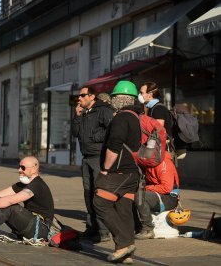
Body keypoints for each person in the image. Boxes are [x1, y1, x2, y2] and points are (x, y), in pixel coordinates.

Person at [93, 81, 141, 263]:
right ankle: (127, 254)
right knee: (123, 210)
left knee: (100, 202)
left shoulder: (120, 118)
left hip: (118, 171)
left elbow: (114, 145)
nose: (111, 100)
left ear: (120, 99)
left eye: (113, 97)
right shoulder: (135, 117)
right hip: (132, 174)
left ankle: (123, 244)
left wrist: (105, 169)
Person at [72, 86, 114, 242]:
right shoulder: (83, 113)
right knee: (88, 193)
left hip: (99, 157)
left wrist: (95, 136)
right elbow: (75, 133)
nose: (79, 98)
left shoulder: (103, 110)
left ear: (92, 96)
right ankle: (92, 228)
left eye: (82, 95)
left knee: (99, 194)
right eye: (79, 96)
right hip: (86, 157)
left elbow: (113, 129)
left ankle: (104, 231)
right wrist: (77, 116)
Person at [134, 154, 180, 239]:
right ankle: (136, 228)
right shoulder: (147, 163)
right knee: (130, 195)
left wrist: (146, 188)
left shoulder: (164, 163)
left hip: (169, 198)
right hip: (157, 194)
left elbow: (166, 188)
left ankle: (148, 229)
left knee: (140, 196)